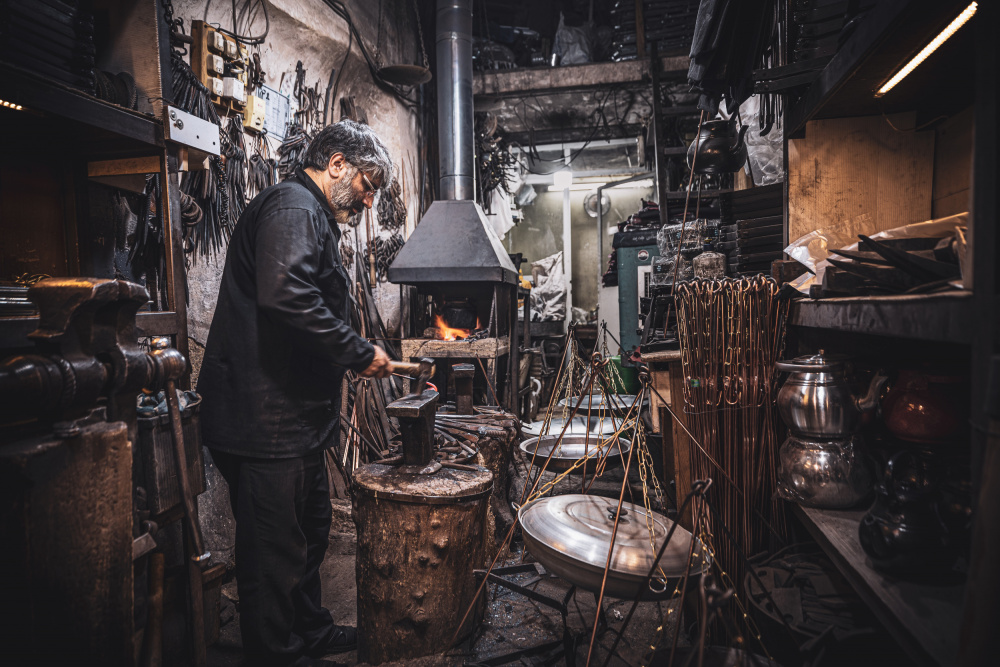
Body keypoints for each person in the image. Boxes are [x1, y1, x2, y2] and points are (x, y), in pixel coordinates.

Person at [198, 120, 394, 666]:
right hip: (264, 421)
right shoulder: (292, 207)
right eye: (366, 184)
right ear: (336, 164)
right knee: (272, 552)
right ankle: (276, 653)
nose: (369, 199)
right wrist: (358, 351)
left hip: (293, 420)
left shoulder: (311, 216)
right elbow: (286, 298)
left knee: (308, 533)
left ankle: (308, 630)